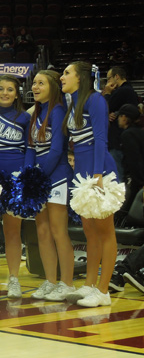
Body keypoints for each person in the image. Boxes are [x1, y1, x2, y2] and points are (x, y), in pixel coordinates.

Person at [61, 61, 122, 307]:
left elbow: (100, 140)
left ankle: (104, 290)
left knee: (105, 232)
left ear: (80, 77)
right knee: (90, 233)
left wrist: (98, 175)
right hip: (83, 172)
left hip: (100, 171)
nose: (62, 77)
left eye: (67, 73)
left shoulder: (95, 100)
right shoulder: (73, 102)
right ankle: (89, 285)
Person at [26, 70, 75, 301]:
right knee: (42, 232)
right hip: (40, 177)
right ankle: (50, 281)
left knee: (58, 232)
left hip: (57, 177)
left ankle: (67, 284)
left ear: (53, 87)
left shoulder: (57, 111)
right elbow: (31, 148)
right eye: (34, 83)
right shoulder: (36, 112)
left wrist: (40, 177)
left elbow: (56, 150)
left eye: (41, 83)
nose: (35, 87)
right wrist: (29, 176)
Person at [0, 75, 31, 298]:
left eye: (10, 89)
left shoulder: (24, 118)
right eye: (1, 89)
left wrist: (25, 175)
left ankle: (14, 279)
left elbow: (30, 148)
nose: (5, 93)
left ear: (17, 93)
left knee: (13, 231)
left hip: (14, 179)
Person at [102, 66, 139, 182]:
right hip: (122, 138)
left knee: (117, 174)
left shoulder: (123, 91)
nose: (108, 83)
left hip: (117, 139)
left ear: (116, 77)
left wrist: (107, 93)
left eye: (109, 79)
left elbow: (104, 107)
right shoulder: (129, 90)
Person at [116, 104, 144, 218]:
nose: (118, 119)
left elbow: (134, 159)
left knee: (126, 209)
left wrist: (139, 181)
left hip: (135, 179)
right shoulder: (139, 132)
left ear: (124, 117)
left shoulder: (127, 135)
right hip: (139, 178)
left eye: (119, 116)